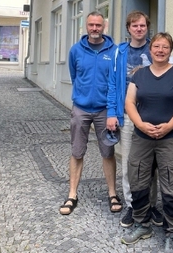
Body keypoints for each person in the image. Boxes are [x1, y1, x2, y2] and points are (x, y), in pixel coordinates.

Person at [120, 32, 173, 252]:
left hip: (171, 138)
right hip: (142, 137)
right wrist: (141, 125)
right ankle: (142, 224)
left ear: (170, 50)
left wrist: (169, 126)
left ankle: (172, 232)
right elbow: (129, 102)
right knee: (139, 180)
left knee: (172, 184)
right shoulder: (140, 75)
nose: (160, 50)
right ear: (150, 50)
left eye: (165, 47)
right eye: (156, 47)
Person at [59, 11, 120, 215]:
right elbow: (75, 76)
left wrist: (112, 110)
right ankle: (72, 194)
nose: (95, 29)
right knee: (77, 152)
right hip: (81, 108)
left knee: (108, 152)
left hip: (105, 110)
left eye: (98, 25)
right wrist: (83, 97)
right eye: (91, 25)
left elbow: (115, 82)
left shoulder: (114, 51)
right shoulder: (76, 50)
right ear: (86, 26)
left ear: (104, 27)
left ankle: (112, 193)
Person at [106, 10, 162, 227]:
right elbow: (112, 84)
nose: (139, 29)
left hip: (152, 114)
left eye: (142, 25)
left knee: (152, 164)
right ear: (128, 29)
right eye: (134, 26)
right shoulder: (119, 53)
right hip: (128, 116)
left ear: (147, 28)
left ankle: (151, 205)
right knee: (130, 163)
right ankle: (133, 206)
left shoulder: (154, 49)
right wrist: (112, 112)